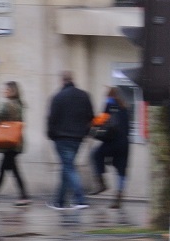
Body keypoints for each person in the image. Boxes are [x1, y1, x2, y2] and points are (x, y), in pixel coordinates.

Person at [46, 71, 94, 210]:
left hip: (62, 138)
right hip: (78, 138)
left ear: (62, 81)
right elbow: (91, 117)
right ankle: (59, 201)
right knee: (67, 167)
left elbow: (51, 119)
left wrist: (51, 135)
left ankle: (80, 199)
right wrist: (85, 132)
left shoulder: (58, 97)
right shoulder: (84, 96)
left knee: (68, 167)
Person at [0, 81, 29, 206]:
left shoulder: (6, 105)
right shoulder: (20, 105)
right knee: (10, 170)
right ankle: (23, 195)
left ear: (11, 91)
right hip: (15, 141)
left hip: (8, 142)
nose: (4, 91)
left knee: (4, 170)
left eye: (6, 90)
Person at [91, 87, 131, 209]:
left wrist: (92, 125)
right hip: (124, 143)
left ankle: (101, 182)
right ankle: (119, 195)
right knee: (121, 170)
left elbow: (100, 122)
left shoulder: (109, 105)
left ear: (109, 96)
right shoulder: (125, 108)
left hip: (111, 141)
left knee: (96, 154)